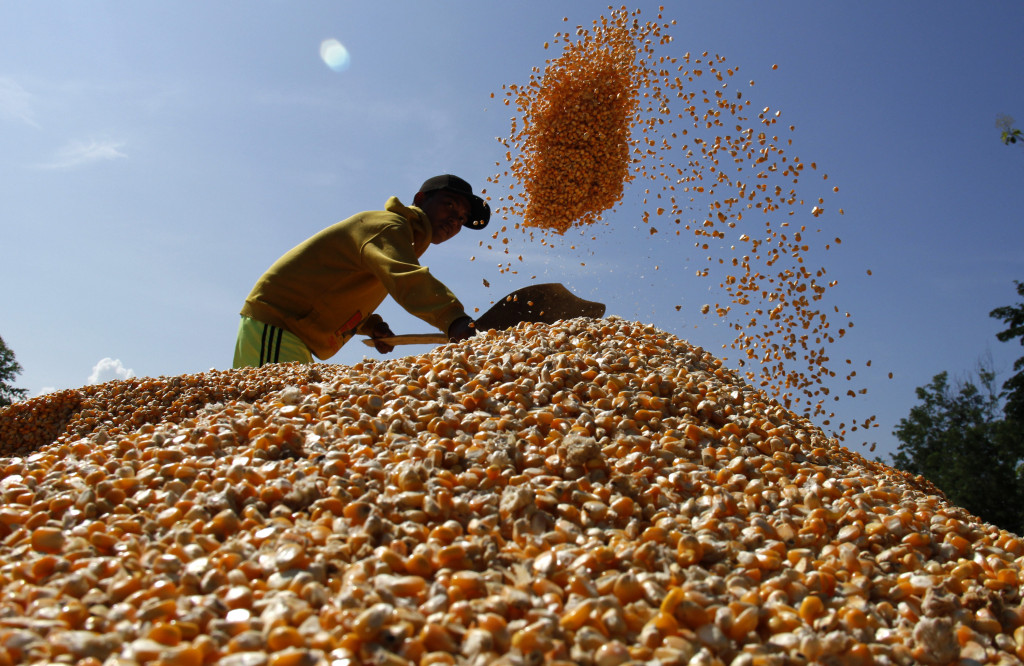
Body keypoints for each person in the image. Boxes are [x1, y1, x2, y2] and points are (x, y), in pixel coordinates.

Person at [233, 174, 489, 368]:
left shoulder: (403, 240)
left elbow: (338, 286)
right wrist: (454, 320)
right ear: (421, 199)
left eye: (463, 219)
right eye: (450, 205)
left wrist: (371, 326)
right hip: (278, 322)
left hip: (292, 334)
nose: (456, 220)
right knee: (274, 421)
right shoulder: (389, 226)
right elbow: (407, 278)